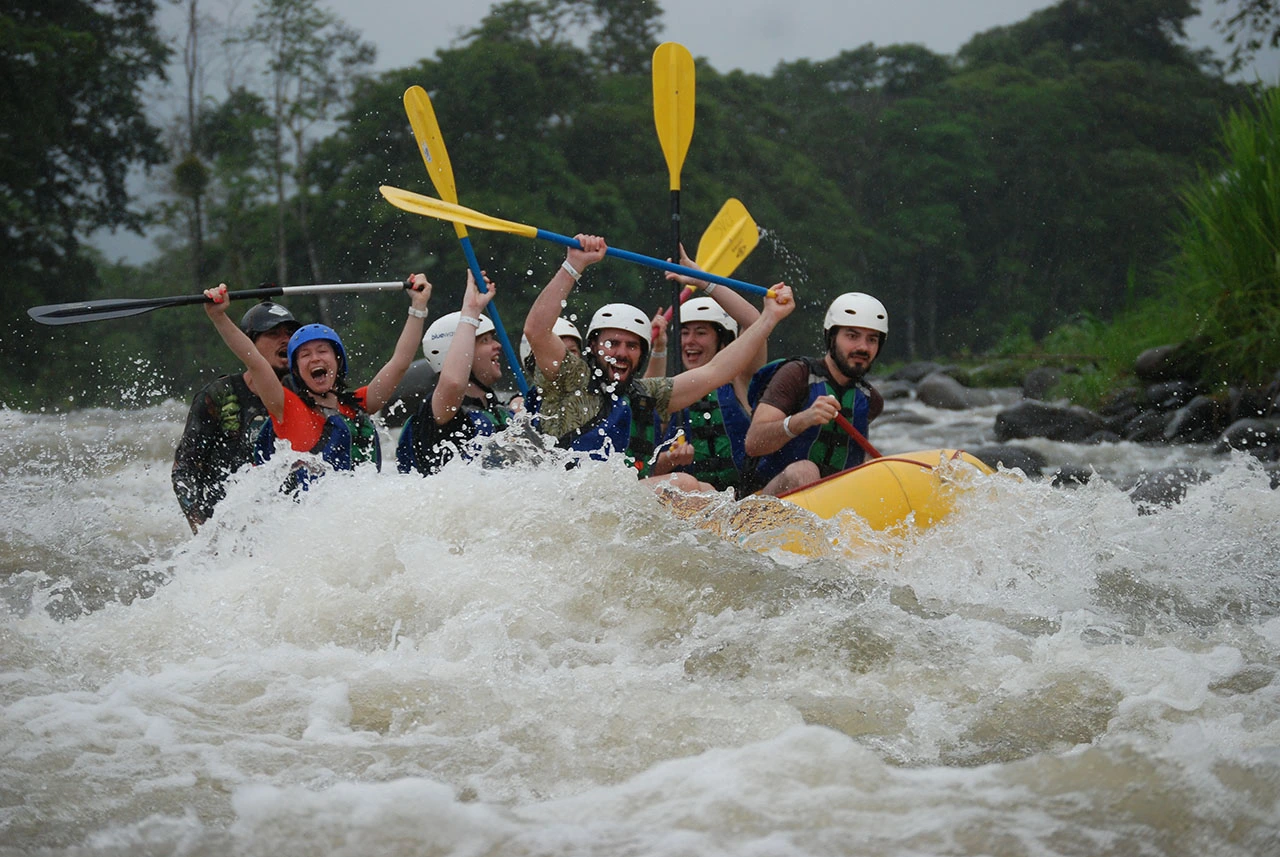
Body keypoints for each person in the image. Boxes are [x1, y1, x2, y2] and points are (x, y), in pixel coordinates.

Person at [522, 234, 795, 494]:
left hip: (613, 510)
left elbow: (716, 372)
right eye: (612, 343)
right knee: (686, 485)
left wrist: (769, 319)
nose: (621, 353)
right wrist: (574, 265)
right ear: (592, 347)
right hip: (570, 500)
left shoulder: (646, 394)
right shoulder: (570, 378)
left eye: (632, 346)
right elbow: (537, 330)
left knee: (708, 492)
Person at [201, 275, 431, 476]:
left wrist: (418, 307)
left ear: (337, 362)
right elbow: (255, 361)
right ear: (296, 370)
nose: (315, 359)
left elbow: (400, 363)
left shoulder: (359, 403)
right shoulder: (286, 407)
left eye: (322, 351)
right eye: (305, 355)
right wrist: (219, 317)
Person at [645, 250, 767, 496]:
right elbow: (645, 400)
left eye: (701, 333)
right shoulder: (674, 392)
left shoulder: (740, 381)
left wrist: (704, 281)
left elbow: (755, 322)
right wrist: (658, 349)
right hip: (695, 506)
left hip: (746, 501)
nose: (690, 341)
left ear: (723, 341)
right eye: (685, 333)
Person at [172, 300, 301, 532]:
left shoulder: (301, 395)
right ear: (248, 343)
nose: (286, 340)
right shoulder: (218, 395)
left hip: (281, 528)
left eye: (290, 333)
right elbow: (185, 469)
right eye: (274, 333)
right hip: (224, 527)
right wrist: (202, 530)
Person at [742, 292, 888, 496]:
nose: (863, 347)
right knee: (805, 471)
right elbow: (753, 443)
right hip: (765, 499)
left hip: (832, 504)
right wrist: (804, 419)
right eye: (852, 336)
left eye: (872, 339)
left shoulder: (870, 399)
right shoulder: (796, 375)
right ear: (831, 337)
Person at [397, 271, 517, 476]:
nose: (498, 346)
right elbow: (453, 383)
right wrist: (470, 311)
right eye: (485, 341)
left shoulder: (500, 409)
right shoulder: (439, 410)